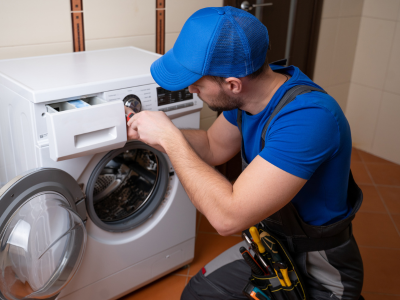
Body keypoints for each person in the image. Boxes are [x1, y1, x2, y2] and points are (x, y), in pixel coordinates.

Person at [125, 6, 364, 300]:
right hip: (269, 246)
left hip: (318, 262)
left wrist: (170, 139)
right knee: (198, 294)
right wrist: (149, 132)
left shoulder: (310, 118)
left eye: (197, 84)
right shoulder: (249, 100)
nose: (191, 90)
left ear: (233, 85)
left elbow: (228, 218)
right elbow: (213, 147)